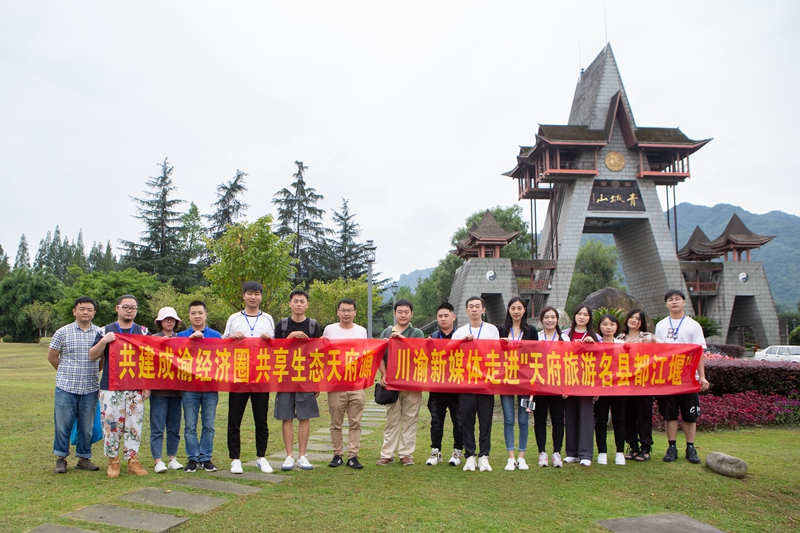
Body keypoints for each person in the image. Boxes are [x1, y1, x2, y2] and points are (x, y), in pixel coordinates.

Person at [88, 294, 150, 477]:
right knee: (111, 423)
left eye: (133, 307)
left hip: (135, 385)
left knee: (134, 423)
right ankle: (113, 460)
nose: (129, 310)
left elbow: (148, 359)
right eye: (126, 307)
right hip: (111, 385)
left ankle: (133, 460)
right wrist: (104, 341)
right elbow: (92, 355)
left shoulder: (143, 331)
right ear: (117, 308)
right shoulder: (104, 331)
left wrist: (147, 385)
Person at [221, 281, 275, 475]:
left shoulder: (268, 319)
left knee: (261, 419)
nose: (253, 297)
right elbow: (222, 343)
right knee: (234, 419)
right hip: (238, 374)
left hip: (261, 374)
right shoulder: (234, 318)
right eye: (250, 293)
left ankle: (261, 456)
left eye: (257, 293)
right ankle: (235, 459)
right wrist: (232, 337)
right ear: (243, 296)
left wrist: (270, 339)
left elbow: (276, 348)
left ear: (261, 296)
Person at [654, 290, 710, 464]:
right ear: (666, 304)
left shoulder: (693, 325)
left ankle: (690, 447)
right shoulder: (661, 325)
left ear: (684, 302)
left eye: (677, 299)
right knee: (669, 415)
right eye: (670, 300)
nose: (674, 302)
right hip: (667, 378)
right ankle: (671, 447)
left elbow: (699, 353)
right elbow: (656, 353)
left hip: (688, 378)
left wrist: (702, 376)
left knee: (689, 415)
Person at [48, 297, 103, 474]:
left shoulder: (99, 333)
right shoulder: (62, 332)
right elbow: (52, 357)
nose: (85, 312)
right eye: (82, 309)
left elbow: (102, 360)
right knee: (63, 425)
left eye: (89, 309)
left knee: (86, 426)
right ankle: (61, 459)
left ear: (94, 312)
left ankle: (84, 458)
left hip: (90, 388)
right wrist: (65, 372)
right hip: (66, 387)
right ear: (74, 311)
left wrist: (95, 373)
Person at [273, 289, 321, 471]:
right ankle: (288, 456)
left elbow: (317, 353)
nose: (299, 304)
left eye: (302, 301)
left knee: (304, 416)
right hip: (285, 376)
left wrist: (317, 381)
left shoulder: (313, 325)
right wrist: (289, 338)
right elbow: (274, 352)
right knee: (286, 416)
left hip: (306, 377)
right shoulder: (282, 325)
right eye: (295, 301)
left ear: (307, 304)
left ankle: (302, 455)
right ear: (290, 304)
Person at [453, 296, 500, 472]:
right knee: (467, 420)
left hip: (486, 383)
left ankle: (484, 456)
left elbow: (496, 352)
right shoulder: (460, 332)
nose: (474, 309)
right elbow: (451, 351)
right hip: (466, 383)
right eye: (471, 307)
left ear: (483, 310)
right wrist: (461, 342)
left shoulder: (492, 329)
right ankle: (470, 455)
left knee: (485, 420)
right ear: (466, 311)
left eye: (477, 306)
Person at [377, 299, 425, 466]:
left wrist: (401, 338)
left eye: (406, 312)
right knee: (392, 419)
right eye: (400, 312)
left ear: (411, 313)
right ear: (395, 313)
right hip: (392, 383)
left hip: (412, 384)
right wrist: (383, 374)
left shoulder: (417, 333)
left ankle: (406, 454)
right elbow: (379, 355)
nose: (403, 315)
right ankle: (387, 453)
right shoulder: (386, 331)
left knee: (410, 419)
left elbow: (420, 353)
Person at [176, 300, 222, 473]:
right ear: (189, 315)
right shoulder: (180, 337)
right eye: (193, 313)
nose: (197, 316)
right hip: (189, 388)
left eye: (200, 313)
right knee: (190, 425)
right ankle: (192, 458)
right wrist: (189, 340)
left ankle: (206, 458)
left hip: (210, 388)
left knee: (209, 425)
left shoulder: (216, 336)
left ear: (205, 315)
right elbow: (174, 357)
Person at [323, 298, 368, 470]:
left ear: (355, 312)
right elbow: (323, 353)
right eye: (343, 310)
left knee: (355, 422)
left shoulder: (361, 331)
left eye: (349, 310)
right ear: (338, 312)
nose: (346, 313)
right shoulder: (330, 330)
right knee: (336, 422)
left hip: (356, 384)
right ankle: (337, 454)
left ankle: (353, 456)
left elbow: (366, 355)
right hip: (336, 383)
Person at [497, 297, 538, 471]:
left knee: (523, 419)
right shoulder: (501, 329)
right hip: (506, 379)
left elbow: (537, 353)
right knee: (508, 419)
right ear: (508, 310)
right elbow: (493, 353)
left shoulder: (531, 330)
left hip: (525, 380)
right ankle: (510, 457)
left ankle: (521, 457)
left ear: (524, 310)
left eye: (519, 308)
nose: (516, 311)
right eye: (513, 308)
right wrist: (501, 344)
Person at [618, 308, 659, 463]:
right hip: (624, 385)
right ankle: (633, 446)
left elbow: (665, 353)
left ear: (642, 323)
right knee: (627, 416)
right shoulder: (620, 338)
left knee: (644, 416)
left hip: (643, 384)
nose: (634, 320)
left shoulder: (649, 337)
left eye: (638, 319)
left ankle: (646, 448)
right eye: (632, 317)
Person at [425, 302, 463, 467]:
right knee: (436, 420)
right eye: (440, 316)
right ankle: (435, 452)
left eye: (446, 315)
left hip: (457, 386)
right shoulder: (433, 337)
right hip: (437, 387)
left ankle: (457, 452)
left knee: (459, 421)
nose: (443, 319)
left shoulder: (461, 336)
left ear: (453, 317)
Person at [561, 304, 599, 467]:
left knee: (586, 418)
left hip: (587, 383)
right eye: (579, 314)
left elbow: (602, 361)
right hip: (569, 381)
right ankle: (572, 452)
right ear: (574, 315)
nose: (582, 317)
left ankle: (585, 453)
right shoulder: (564, 335)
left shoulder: (595, 336)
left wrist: (594, 346)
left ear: (589, 318)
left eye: (585, 314)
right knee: (570, 416)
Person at [149, 307, 184, 473]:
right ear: (160, 322)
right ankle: (157, 460)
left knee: (174, 427)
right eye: (166, 319)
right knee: (157, 426)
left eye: (172, 319)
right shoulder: (152, 339)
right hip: (158, 390)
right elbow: (146, 363)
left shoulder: (182, 338)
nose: (169, 322)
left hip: (177, 391)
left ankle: (172, 457)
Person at [530, 306, 565, 468]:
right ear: (541, 320)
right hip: (539, 385)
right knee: (540, 420)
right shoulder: (535, 337)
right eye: (547, 317)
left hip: (558, 386)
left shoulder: (564, 339)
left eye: (553, 317)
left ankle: (557, 453)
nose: (550, 320)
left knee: (558, 420)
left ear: (557, 320)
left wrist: (567, 387)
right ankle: (542, 453)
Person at [593, 313, 627, 466]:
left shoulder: (622, 345)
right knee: (600, 420)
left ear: (617, 327)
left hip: (619, 388)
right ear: (599, 326)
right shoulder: (595, 345)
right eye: (605, 324)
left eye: (612, 324)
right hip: (601, 389)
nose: (608, 327)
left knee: (619, 420)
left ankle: (620, 452)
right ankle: (602, 452)